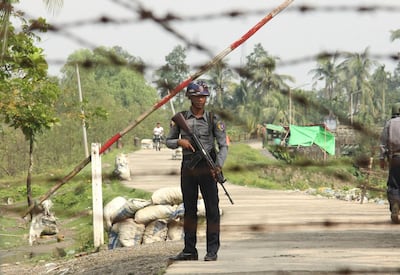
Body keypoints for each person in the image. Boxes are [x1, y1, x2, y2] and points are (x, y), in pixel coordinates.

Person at [165, 80, 228, 261]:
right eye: (197, 96)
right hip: (188, 167)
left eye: (204, 96)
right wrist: (179, 142)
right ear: (190, 97)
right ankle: (189, 250)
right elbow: (168, 141)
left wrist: (219, 165)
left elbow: (223, 146)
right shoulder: (181, 118)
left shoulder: (212, 119)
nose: (201, 100)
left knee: (212, 210)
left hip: (208, 168)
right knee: (189, 210)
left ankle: (212, 250)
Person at [380, 102, 400, 224]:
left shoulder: (389, 124)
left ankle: (395, 205)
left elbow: (383, 143)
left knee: (394, 184)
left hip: (395, 158)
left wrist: (381, 158)